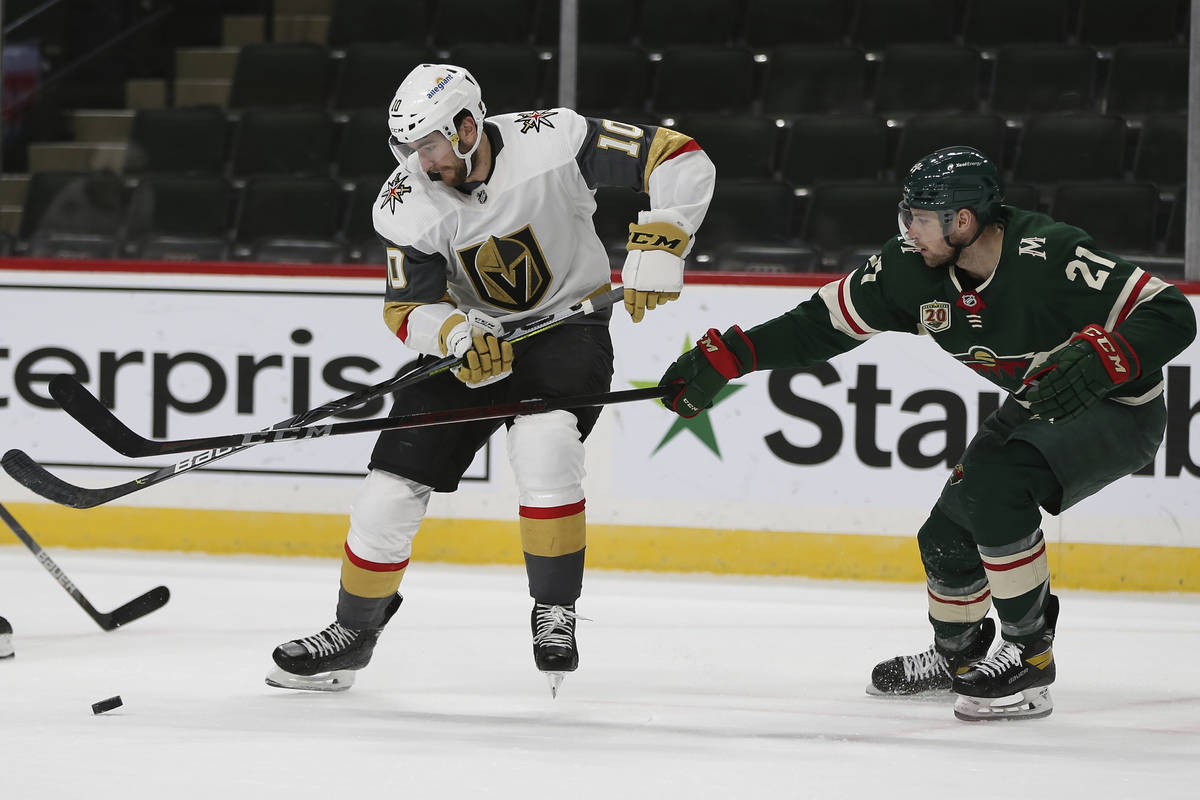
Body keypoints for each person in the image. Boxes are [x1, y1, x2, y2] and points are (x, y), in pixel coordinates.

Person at [657, 146, 1195, 721]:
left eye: (918, 217)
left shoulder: (1050, 253)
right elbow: (822, 324)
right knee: (946, 533)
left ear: (962, 220)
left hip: (1117, 410)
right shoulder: (910, 271)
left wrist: (1103, 357)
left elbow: (1172, 313)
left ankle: (1031, 658)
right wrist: (732, 356)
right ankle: (957, 658)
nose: (906, 229)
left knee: (995, 484)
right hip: (1038, 404)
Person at [267, 63, 715, 695]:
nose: (420, 162)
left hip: (567, 330)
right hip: (471, 342)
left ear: (469, 126)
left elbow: (678, 156)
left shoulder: (555, 140)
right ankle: (354, 632)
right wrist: (450, 334)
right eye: (408, 148)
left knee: (545, 446)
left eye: (429, 145)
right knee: (388, 490)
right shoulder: (405, 203)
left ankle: (554, 610)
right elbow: (406, 308)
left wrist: (669, 231)